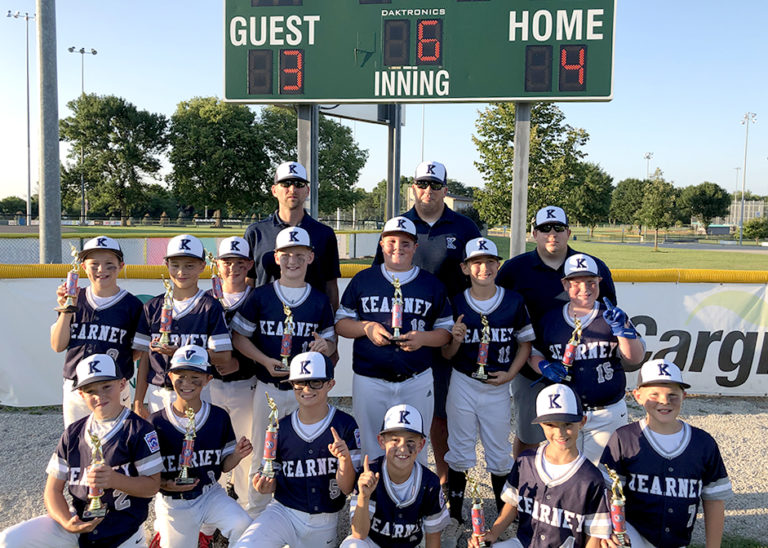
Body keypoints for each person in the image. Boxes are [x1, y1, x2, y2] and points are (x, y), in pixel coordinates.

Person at [374, 160, 481, 486]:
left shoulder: (464, 227)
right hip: (403, 332)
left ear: (445, 190)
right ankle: (397, 482)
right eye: (423, 184)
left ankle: (445, 485)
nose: (429, 190)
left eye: (436, 185)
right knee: (399, 407)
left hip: (449, 331)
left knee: (443, 413)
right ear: (413, 188)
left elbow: (479, 274)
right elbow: (381, 275)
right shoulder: (398, 224)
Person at [0, 354, 163, 548]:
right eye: (90, 390)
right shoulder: (74, 432)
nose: (99, 396)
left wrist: (115, 480)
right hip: (79, 524)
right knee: (11, 540)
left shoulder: (138, 429)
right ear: (81, 394)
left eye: (106, 386)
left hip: (122, 532)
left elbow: (152, 486)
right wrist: (67, 522)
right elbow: (52, 490)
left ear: (122, 384)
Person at [495, 206, 617, 458]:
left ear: (569, 232)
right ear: (534, 233)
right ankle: (522, 489)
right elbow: (499, 310)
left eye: (558, 228)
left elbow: (609, 315)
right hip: (531, 367)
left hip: (584, 367)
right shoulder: (514, 269)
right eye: (544, 228)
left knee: (577, 434)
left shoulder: (593, 267)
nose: (552, 234)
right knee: (529, 435)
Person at [231, 226, 337, 517]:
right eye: (287, 254)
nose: (293, 261)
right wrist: (265, 360)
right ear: (276, 257)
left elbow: (330, 340)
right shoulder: (261, 296)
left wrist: (324, 347)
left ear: (311, 257)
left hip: (306, 392)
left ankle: (298, 511)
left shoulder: (317, 300)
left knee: (304, 452)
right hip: (269, 388)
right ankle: (255, 515)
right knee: (262, 455)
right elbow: (239, 338)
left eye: (299, 254)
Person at [439, 238, 534, 546]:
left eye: (490, 261)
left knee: (498, 453)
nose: (484, 267)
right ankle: (455, 515)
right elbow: (447, 355)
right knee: (460, 449)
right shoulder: (456, 300)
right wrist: (454, 339)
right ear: (465, 268)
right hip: (464, 380)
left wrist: (511, 373)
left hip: (498, 384)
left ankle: (501, 520)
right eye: (476, 262)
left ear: (498, 265)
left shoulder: (513, 300)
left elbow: (525, 343)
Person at [336, 216, 453, 464]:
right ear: (381, 244)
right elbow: (341, 324)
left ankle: (414, 499)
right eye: (391, 241)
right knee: (370, 445)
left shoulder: (431, 284)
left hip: (417, 379)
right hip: (370, 379)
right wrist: (366, 327)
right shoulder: (363, 280)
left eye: (405, 242)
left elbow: (445, 333)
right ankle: (371, 499)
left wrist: (424, 338)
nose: (397, 247)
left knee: (415, 445)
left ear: (415, 247)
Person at [600, 359, 733, 548]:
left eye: (672, 395)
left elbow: (714, 499)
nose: (664, 401)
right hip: (630, 535)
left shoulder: (703, 443)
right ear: (637, 396)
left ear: (684, 395)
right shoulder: (625, 437)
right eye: (654, 394)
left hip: (677, 541)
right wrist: (607, 533)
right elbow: (607, 495)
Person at [234, 351, 361, 548]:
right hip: (283, 512)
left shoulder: (345, 425)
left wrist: (344, 461)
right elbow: (272, 482)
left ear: (330, 384)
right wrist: (265, 486)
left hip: (324, 519)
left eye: (315, 382)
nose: (306, 389)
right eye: (299, 383)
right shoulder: (280, 427)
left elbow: (347, 488)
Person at [529, 253, 645, 465]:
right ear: (565, 284)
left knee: (604, 476)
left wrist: (622, 330)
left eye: (591, 282)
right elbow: (534, 353)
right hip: (564, 414)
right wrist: (544, 366)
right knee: (564, 472)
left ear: (600, 282)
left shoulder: (612, 316)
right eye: (576, 283)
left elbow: (635, 358)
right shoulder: (551, 319)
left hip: (606, 411)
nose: (585, 288)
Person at [470, 383, 612, 548]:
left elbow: (594, 535)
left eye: (568, 424)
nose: (560, 433)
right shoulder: (525, 461)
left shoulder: (591, 478)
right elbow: (512, 503)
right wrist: (493, 534)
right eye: (551, 424)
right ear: (540, 424)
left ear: (582, 421)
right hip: (524, 543)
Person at [147, 345, 253, 548]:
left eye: (196, 376)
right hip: (174, 501)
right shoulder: (156, 422)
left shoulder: (218, 416)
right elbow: (146, 474)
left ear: (208, 379)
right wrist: (165, 484)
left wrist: (237, 456)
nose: (187, 383)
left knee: (244, 526)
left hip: (210, 493)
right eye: (181, 375)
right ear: (169, 376)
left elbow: (223, 466)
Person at [132, 234, 234, 416]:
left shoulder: (210, 306)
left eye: (189, 265)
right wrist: (139, 401)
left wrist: (180, 352)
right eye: (175, 265)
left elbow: (224, 356)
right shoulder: (153, 307)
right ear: (166, 265)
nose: (181, 272)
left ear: (202, 266)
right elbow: (144, 358)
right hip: (158, 392)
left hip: (198, 391)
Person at [50, 235, 143, 426]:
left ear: (121, 266)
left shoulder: (132, 305)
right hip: (77, 387)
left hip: (115, 386)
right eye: (94, 264)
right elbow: (58, 345)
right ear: (83, 267)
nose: (101, 270)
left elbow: (135, 352)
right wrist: (67, 309)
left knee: (115, 441)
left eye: (110, 264)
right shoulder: (75, 297)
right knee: (78, 441)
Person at [340, 404, 450, 548]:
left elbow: (433, 535)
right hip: (373, 543)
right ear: (381, 441)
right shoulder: (369, 474)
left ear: (421, 445)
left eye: (410, 441)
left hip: (410, 545)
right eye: (395, 440)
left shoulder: (430, 483)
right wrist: (364, 497)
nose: (402, 448)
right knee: (353, 545)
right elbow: (359, 534)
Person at [243, 160, 341, 309]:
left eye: (299, 184)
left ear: (307, 191)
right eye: (286, 183)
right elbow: (249, 281)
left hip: (310, 322)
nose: (292, 189)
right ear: (274, 190)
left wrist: (331, 326)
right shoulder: (256, 232)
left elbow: (330, 285)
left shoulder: (324, 234)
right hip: (264, 321)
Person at [205, 236, 258, 504]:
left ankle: (247, 511)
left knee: (245, 447)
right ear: (216, 264)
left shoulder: (258, 298)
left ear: (250, 264)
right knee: (211, 447)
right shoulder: (205, 299)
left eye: (240, 262)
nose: (233, 267)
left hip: (245, 383)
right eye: (227, 262)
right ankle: (212, 516)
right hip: (209, 385)